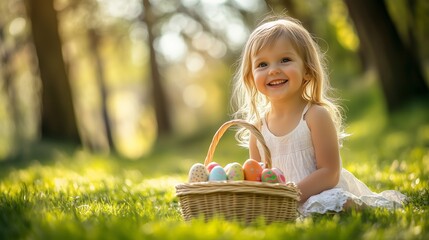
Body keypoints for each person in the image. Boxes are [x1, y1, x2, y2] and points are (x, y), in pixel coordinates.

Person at [231, 16, 406, 216]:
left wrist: (291, 195)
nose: (273, 70)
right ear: (251, 77)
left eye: (285, 60)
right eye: (262, 64)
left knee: (336, 202)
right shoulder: (257, 130)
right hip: (281, 203)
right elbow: (257, 179)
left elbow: (329, 173)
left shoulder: (315, 116)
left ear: (307, 70)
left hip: (319, 192)